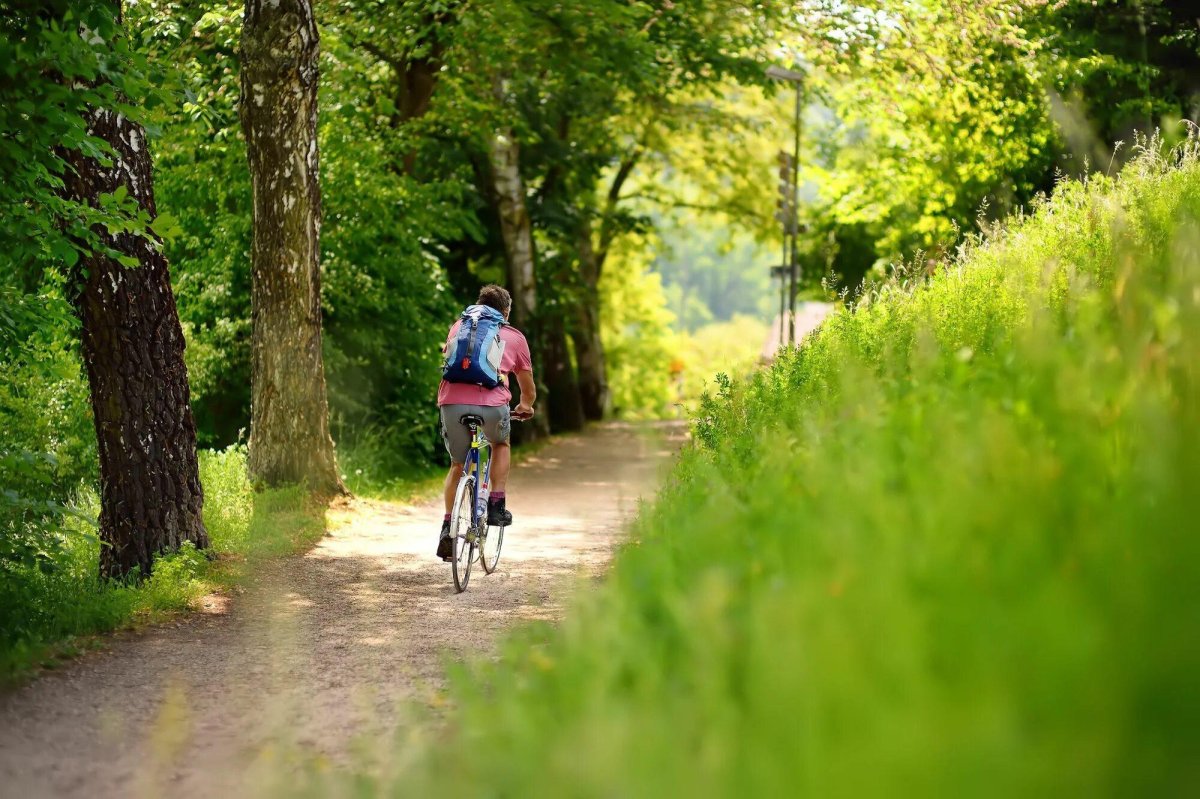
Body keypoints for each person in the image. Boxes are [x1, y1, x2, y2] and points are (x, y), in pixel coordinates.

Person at [436, 285, 536, 561]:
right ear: (505, 312)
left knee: (457, 464)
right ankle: (495, 504)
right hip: (493, 406)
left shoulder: (458, 326)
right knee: (500, 443)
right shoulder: (514, 337)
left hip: (451, 403)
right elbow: (527, 388)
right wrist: (525, 406)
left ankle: (448, 527)